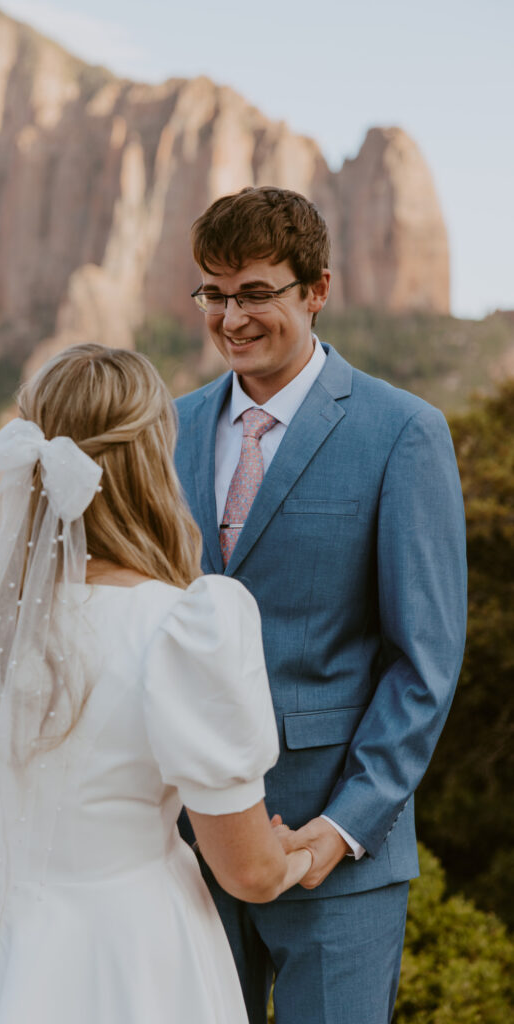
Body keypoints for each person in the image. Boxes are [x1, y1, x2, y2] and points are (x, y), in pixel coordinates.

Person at [0, 344, 312, 1024]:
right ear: (148, 461)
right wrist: (288, 857)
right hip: (128, 956)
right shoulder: (180, 626)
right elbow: (245, 873)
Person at [174, 186, 468, 1024]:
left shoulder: (401, 432)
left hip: (335, 858)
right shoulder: (169, 428)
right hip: (184, 847)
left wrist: (341, 826)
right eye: (214, 293)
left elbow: (425, 661)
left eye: (256, 293)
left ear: (316, 289)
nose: (231, 318)